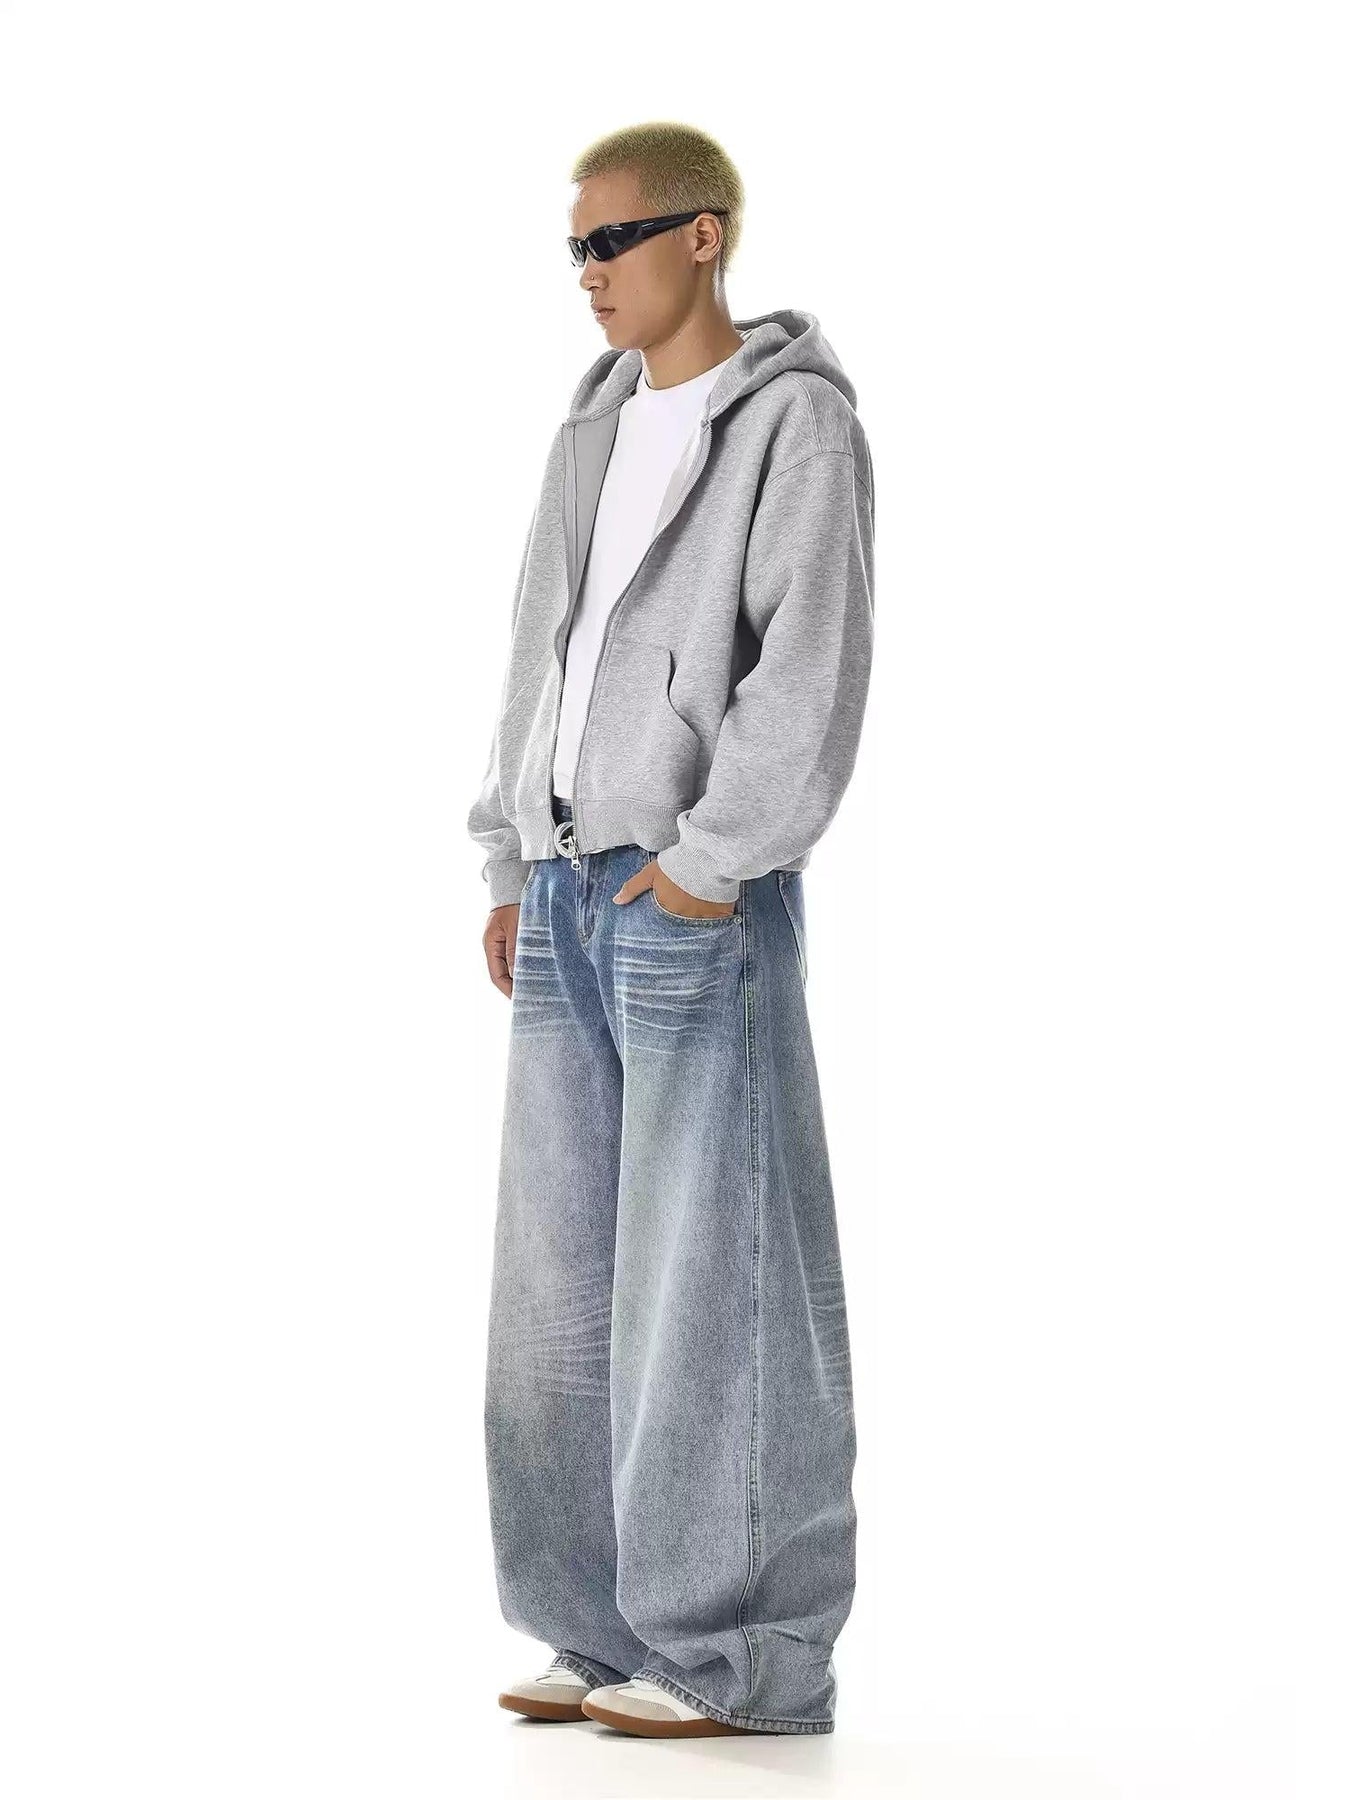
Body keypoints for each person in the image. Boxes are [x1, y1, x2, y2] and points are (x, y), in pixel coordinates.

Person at [467, 120, 876, 1739]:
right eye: (573, 248)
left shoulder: (792, 424)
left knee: (718, 1280)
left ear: (702, 235)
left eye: (611, 241)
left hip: (690, 889)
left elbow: (808, 663)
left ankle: (745, 1653)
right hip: (569, 885)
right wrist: (510, 857)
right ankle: (596, 1621)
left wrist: (713, 862)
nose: (587, 274)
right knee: (561, 1289)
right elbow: (539, 653)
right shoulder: (592, 424)